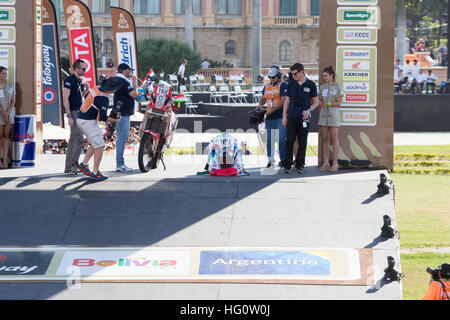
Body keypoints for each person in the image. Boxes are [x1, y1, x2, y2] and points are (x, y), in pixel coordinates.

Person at [76, 77, 122, 181]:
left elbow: (87, 96)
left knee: (95, 143)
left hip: (81, 118)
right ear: (112, 89)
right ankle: (95, 172)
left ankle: (84, 164)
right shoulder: (104, 98)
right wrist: (116, 120)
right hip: (88, 121)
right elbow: (103, 118)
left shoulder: (96, 88)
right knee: (100, 145)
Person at [282, 63, 319, 174]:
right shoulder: (291, 84)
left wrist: (309, 110)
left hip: (304, 117)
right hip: (292, 116)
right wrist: (284, 116)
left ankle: (300, 165)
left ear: (301, 71)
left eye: (295, 73)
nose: (293, 76)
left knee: (302, 142)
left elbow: (316, 102)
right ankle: (287, 165)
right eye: (292, 74)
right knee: (289, 141)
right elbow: (287, 100)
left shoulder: (311, 85)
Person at [257, 66, 287, 168]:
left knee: (281, 139)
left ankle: (283, 159)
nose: (271, 79)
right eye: (269, 77)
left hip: (279, 116)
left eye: (273, 77)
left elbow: (283, 101)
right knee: (269, 140)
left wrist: (273, 110)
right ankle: (270, 160)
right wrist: (260, 105)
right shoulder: (266, 86)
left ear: (278, 76)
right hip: (269, 117)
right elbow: (263, 98)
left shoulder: (283, 85)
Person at [63, 59, 90, 174]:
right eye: (83, 69)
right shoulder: (69, 80)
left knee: (74, 138)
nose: (85, 70)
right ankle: (74, 164)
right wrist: (69, 115)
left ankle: (69, 167)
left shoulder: (79, 81)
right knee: (78, 137)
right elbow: (65, 99)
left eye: (85, 69)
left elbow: (79, 97)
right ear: (76, 68)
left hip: (78, 111)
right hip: (73, 111)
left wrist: (86, 90)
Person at [318, 66, 343, 172]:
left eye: (326, 76)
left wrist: (328, 103)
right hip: (323, 115)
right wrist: (319, 103)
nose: (324, 78)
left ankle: (335, 163)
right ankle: (325, 163)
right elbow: (318, 100)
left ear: (332, 75)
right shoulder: (322, 87)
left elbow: (339, 103)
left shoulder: (338, 87)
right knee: (324, 138)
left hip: (333, 115)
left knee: (334, 138)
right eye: (323, 76)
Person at [114, 63, 138, 172]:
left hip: (121, 113)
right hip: (123, 114)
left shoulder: (121, 80)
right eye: (129, 70)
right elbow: (134, 94)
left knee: (121, 139)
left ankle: (120, 163)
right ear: (124, 70)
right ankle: (120, 164)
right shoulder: (122, 80)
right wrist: (135, 82)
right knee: (121, 139)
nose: (130, 72)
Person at [0, 67, 15, 169]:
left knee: (6, 137)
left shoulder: (10, 85)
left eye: (6, 74)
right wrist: (3, 113)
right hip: (0, 113)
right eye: (3, 74)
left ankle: (5, 160)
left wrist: (8, 113)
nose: (5, 76)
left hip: (9, 113)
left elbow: (13, 101)